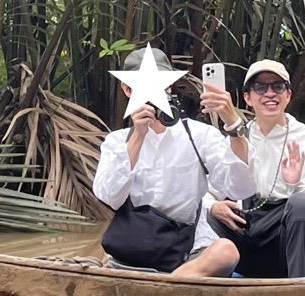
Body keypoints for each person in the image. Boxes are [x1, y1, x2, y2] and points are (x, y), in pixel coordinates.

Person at [93, 45, 253, 276]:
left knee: (226, 252)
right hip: (131, 252)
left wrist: (234, 125)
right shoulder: (117, 142)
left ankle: (167, 286)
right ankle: (168, 286)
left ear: (169, 87)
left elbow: (241, 187)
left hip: (186, 253)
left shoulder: (199, 135)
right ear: (127, 89)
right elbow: (110, 198)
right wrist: (138, 135)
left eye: (160, 85)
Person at [207, 60, 305, 278]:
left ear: (288, 95)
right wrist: (212, 206)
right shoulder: (237, 138)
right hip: (249, 233)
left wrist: (295, 185)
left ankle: (297, 293)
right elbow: (207, 190)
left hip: (291, 243)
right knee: (211, 216)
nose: (269, 94)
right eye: (260, 88)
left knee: (302, 203)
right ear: (248, 98)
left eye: (277, 86)